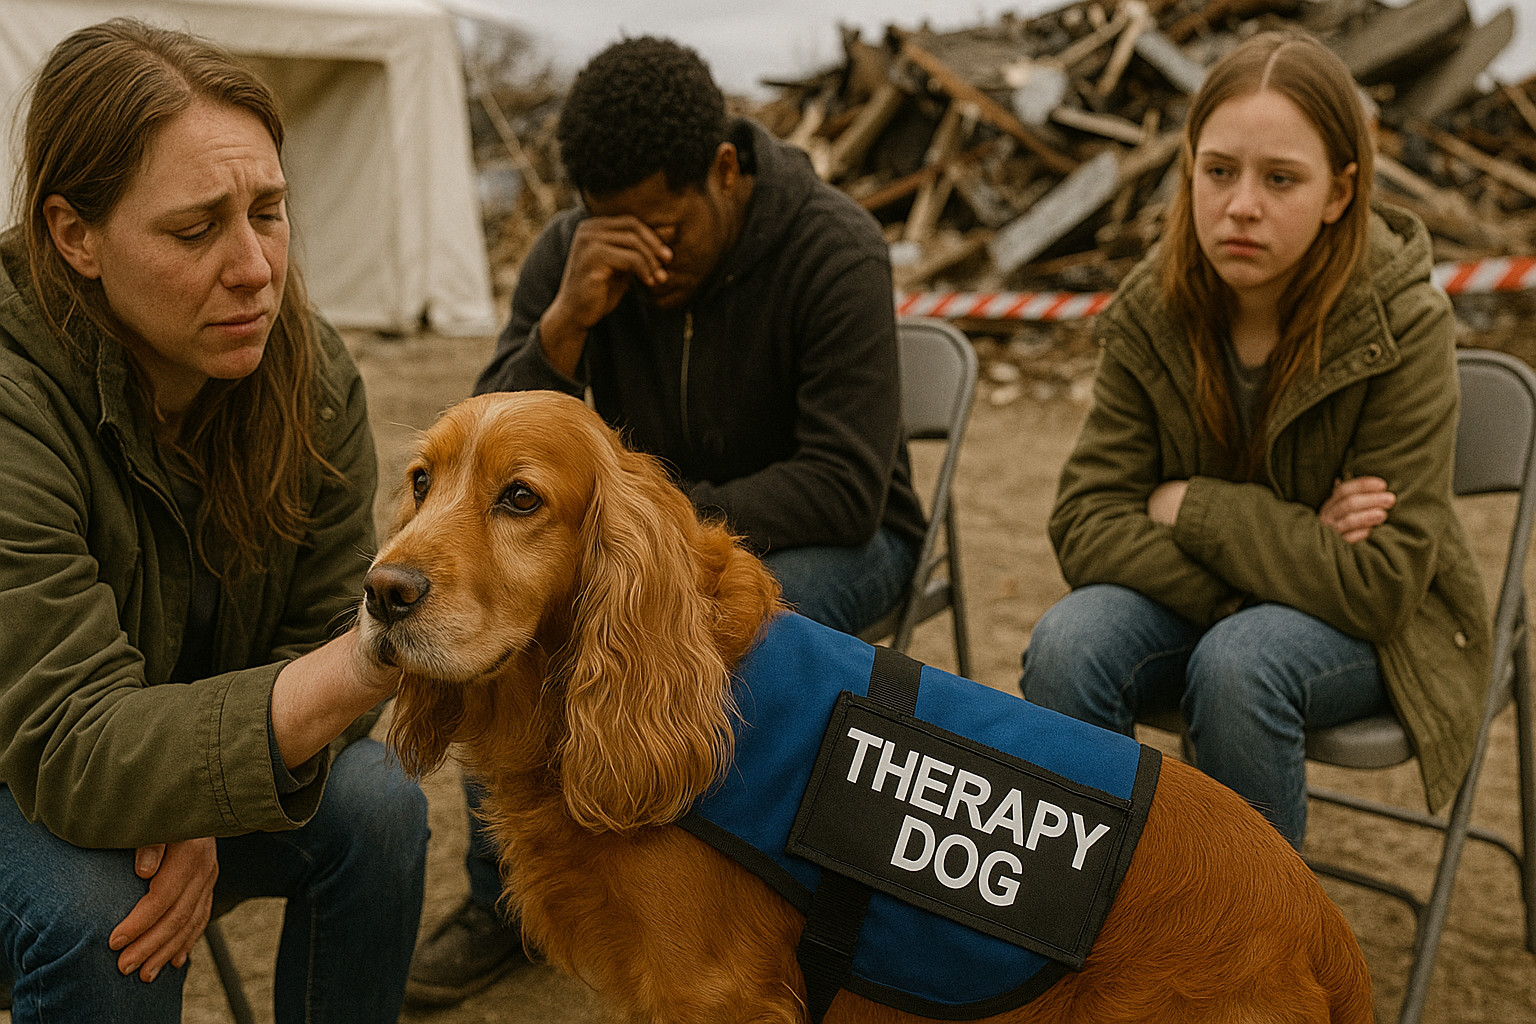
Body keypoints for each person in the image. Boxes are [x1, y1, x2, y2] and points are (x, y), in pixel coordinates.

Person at [406, 34, 927, 1007]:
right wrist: (563, 323)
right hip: (633, 538)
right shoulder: (573, 253)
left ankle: (741, 889)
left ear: (724, 170)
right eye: (612, 224)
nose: (645, 252)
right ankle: (500, 901)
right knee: (513, 621)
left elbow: (845, 482)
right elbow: (484, 449)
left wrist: (638, 537)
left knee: (718, 639)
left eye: (664, 224)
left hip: (841, 539)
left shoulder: (834, 246)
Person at [0, 20, 428, 1023]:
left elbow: (318, 629)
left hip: (159, 758)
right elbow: (67, 738)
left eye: (268, 212)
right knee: (104, 909)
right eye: (196, 231)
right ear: (74, 236)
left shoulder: (308, 373)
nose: (254, 268)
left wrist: (204, 787)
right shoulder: (14, 399)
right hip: (25, 774)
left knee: (379, 802)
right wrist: (201, 777)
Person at [1018, 28, 1491, 851]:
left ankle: (1256, 931)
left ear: (1339, 192)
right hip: (1222, 603)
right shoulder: (1152, 308)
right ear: (1189, 169)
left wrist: (1190, 507)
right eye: (1219, 171)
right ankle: (1091, 904)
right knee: (1069, 644)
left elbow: (1380, 582)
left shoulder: (1403, 320)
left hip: (1380, 630)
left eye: (1281, 179)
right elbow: (1086, 521)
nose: (1241, 205)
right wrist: (1271, 565)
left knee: (1240, 664)